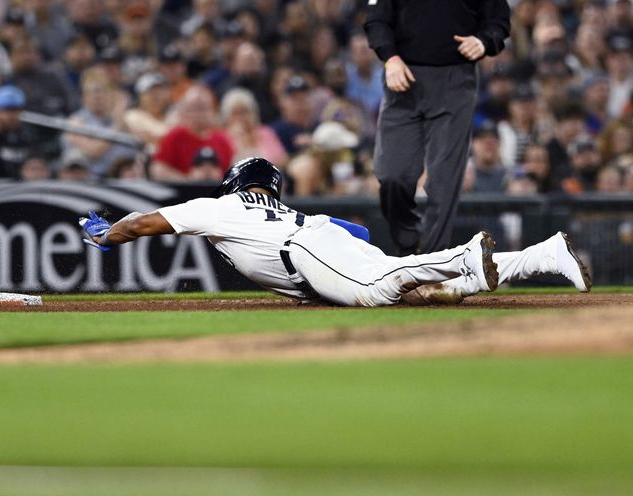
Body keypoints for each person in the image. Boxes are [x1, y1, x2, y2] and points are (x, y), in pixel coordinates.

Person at [78, 157, 590, 308]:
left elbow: (145, 222)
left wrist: (107, 236)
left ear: (233, 183)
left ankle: (465, 253)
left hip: (301, 254)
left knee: (376, 291)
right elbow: (360, 231)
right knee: (427, 294)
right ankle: (544, 255)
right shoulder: (279, 207)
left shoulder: (217, 205)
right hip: (319, 240)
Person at [364, 0, 511, 256]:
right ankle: (408, 243)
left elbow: (498, 21)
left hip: (455, 78)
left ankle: (431, 262)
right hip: (403, 76)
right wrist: (390, 57)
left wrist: (484, 41)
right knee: (392, 175)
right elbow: (376, 20)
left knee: (443, 181)